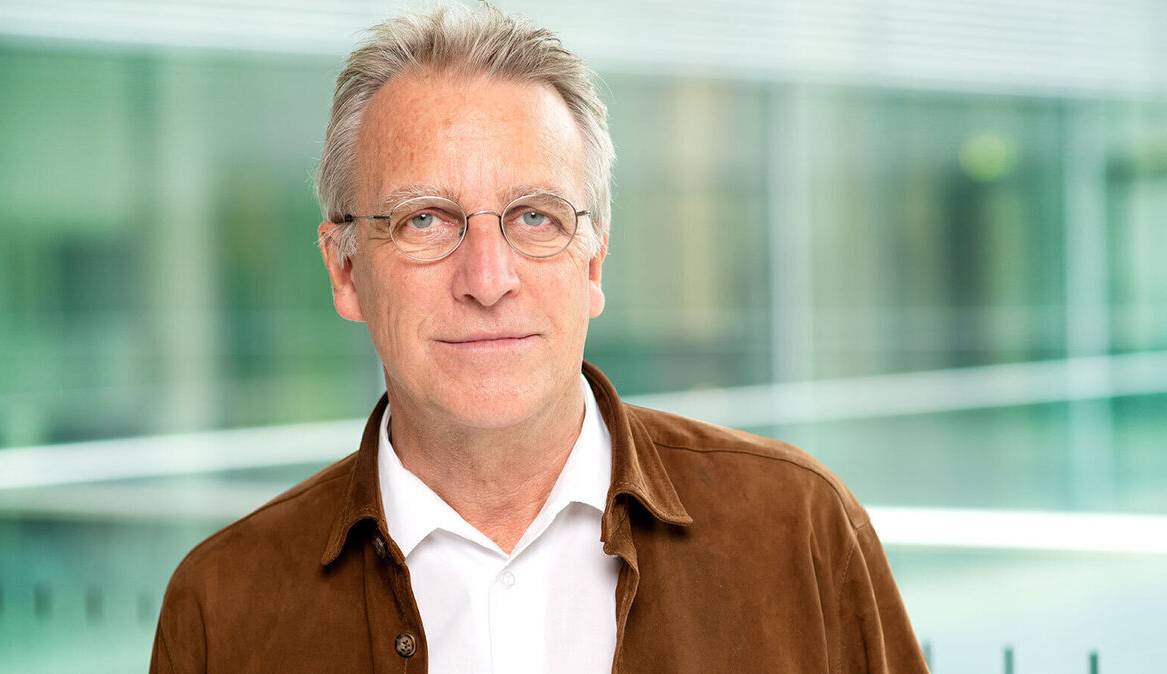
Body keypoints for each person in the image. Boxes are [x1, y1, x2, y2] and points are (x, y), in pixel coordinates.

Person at [151, 4, 928, 673]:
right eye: (425, 219)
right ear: (346, 269)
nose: (487, 279)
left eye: (535, 218)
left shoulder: (800, 529)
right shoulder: (223, 608)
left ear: (593, 260)